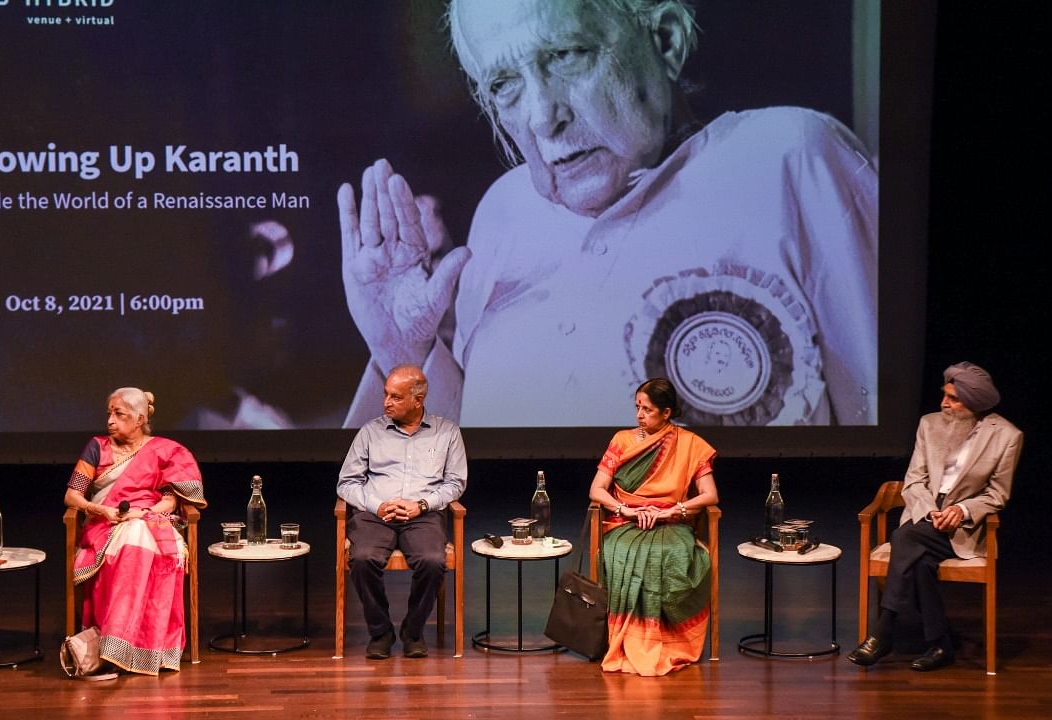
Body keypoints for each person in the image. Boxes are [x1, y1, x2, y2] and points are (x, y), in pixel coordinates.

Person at [339, 0, 877, 427]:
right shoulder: (503, 213)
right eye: (504, 84)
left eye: (568, 54)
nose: (543, 115)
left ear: (664, 39)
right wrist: (404, 350)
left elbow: (880, 437)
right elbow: (466, 470)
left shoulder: (792, 158)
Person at [849, 362, 1021, 671]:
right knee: (920, 560)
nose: (944, 403)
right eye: (945, 396)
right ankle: (940, 645)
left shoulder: (1007, 436)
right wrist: (931, 512)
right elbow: (914, 480)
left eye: (954, 399)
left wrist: (961, 511)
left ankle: (884, 630)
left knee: (904, 538)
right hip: (923, 514)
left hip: (962, 531)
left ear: (974, 402)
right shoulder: (929, 425)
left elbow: (997, 494)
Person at [64, 388, 206, 675]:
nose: (111, 421)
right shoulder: (96, 447)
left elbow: (172, 499)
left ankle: (128, 647)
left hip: (151, 522)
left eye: (119, 414)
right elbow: (72, 496)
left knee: (141, 536)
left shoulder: (165, 451)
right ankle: (115, 644)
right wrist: (101, 510)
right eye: (109, 414)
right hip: (105, 524)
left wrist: (148, 514)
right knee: (133, 537)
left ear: (140, 418)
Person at [588, 378, 719, 675]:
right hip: (625, 521)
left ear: (666, 412)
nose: (639, 415)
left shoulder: (690, 444)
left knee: (670, 555)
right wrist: (627, 510)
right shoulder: (621, 440)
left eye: (647, 409)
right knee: (622, 553)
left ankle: (670, 641)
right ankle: (624, 641)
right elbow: (597, 489)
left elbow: (710, 495)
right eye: (637, 407)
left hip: (671, 521)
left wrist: (672, 511)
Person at [337, 365, 468, 659]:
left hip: (422, 515)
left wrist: (421, 505)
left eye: (395, 397)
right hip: (376, 514)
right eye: (385, 395)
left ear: (417, 400)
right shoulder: (370, 432)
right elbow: (346, 483)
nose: (386, 402)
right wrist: (377, 505)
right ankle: (381, 632)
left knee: (433, 561)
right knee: (362, 558)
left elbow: (455, 483)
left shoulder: (446, 433)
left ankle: (413, 631)